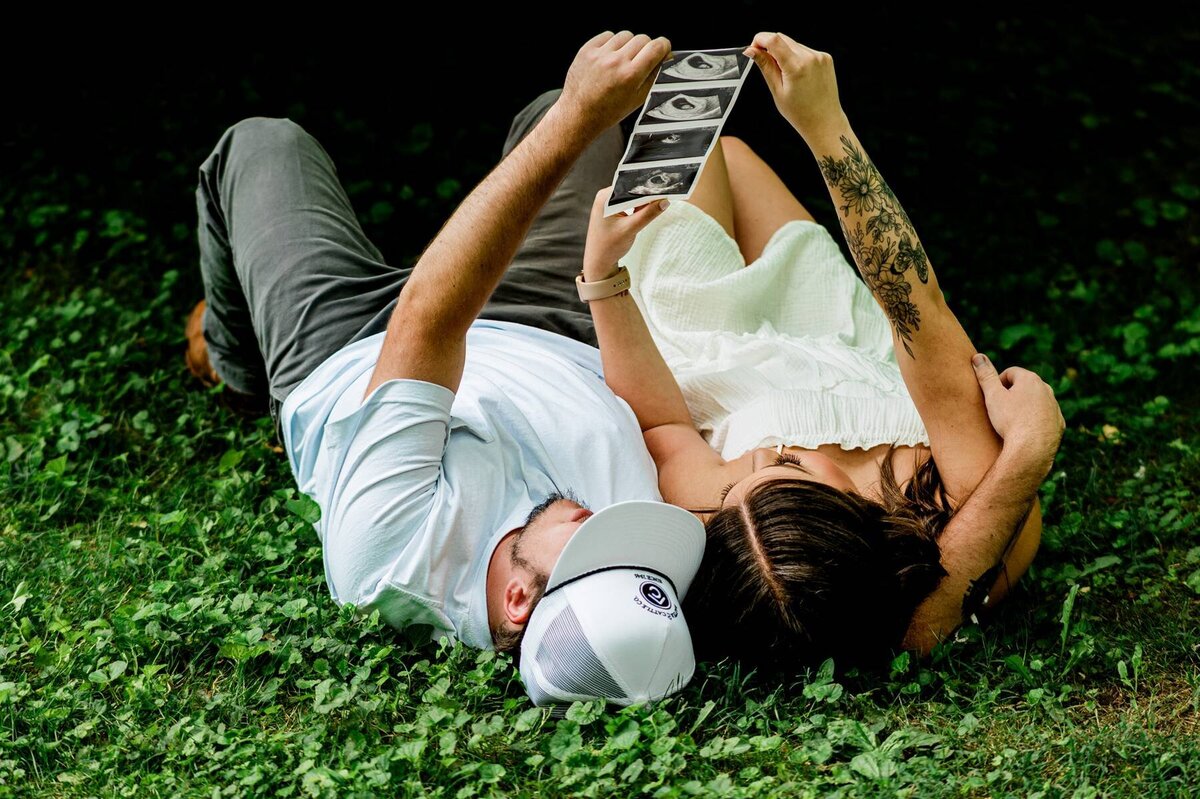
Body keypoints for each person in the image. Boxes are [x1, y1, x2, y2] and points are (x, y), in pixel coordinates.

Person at [183, 31, 709, 707]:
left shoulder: (388, 562)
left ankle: (235, 368)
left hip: (356, 347)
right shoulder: (635, 566)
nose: (609, 519)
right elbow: (663, 422)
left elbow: (429, 318)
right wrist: (602, 274)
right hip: (546, 322)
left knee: (262, 146)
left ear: (517, 601)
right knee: (562, 112)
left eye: (589, 542)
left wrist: (576, 117)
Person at [576, 32, 1066, 667]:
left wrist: (604, 277)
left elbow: (663, 422)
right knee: (734, 155)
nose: (758, 457)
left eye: (740, 486)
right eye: (792, 465)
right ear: (857, 519)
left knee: (717, 152)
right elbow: (912, 306)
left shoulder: (725, 517)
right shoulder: (949, 496)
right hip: (835, 333)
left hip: (705, 340)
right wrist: (825, 123)